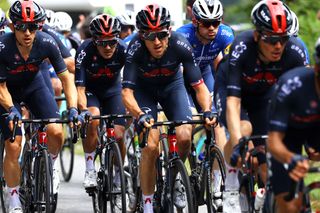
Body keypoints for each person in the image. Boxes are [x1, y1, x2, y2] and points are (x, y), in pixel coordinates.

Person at [214, 0, 309, 211]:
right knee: (244, 130)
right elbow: (233, 102)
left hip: (263, 97)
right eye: (272, 39)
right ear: (257, 36)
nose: (278, 46)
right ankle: (230, 183)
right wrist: (238, 141)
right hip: (233, 91)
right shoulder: (242, 46)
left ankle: (266, 198)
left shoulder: (295, 52)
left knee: (267, 158)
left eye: (283, 39)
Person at [122, 4, 216, 213]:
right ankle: (147, 203)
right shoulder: (135, 49)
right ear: (141, 36)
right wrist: (139, 115)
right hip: (144, 90)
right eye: (150, 37)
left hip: (172, 86)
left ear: (169, 31)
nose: (157, 42)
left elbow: (198, 86)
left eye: (162, 35)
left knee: (184, 135)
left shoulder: (181, 45)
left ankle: (174, 180)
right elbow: (127, 93)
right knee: (151, 146)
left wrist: (207, 110)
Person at [0, 1, 80, 212]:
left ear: (39, 26)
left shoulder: (47, 42)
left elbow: (67, 80)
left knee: (55, 132)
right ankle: (14, 198)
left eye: (33, 26)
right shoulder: (3, 47)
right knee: (14, 141)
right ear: (12, 26)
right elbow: (0, 88)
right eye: (21, 26)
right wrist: (12, 110)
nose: (27, 32)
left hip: (35, 86)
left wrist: (72, 108)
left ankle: (50, 165)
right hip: (8, 92)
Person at [176, 0, 234, 208]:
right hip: (181, 80)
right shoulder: (182, 35)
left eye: (216, 23)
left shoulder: (225, 35)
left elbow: (227, 68)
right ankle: (178, 174)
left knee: (217, 123)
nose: (212, 28)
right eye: (207, 23)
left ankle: (217, 183)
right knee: (187, 126)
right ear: (195, 22)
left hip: (206, 75)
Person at [75, 14, 127, 205]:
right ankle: (90, 167)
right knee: (94, 119)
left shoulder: (123, 49)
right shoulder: (84, 50)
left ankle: (117, 174)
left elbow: (132, 84)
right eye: (102, 43)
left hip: (114, 90)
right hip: (91, 91)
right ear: (94, 40)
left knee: (120, 134)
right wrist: (83, 110)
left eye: (112, 42)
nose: (107, 47)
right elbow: (79, 89)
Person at [267, 38, 320, 213]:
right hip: (287, 134)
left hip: (316, 128)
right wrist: (291, 158)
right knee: (290, 207)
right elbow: (273, 142)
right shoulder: (291, 85)